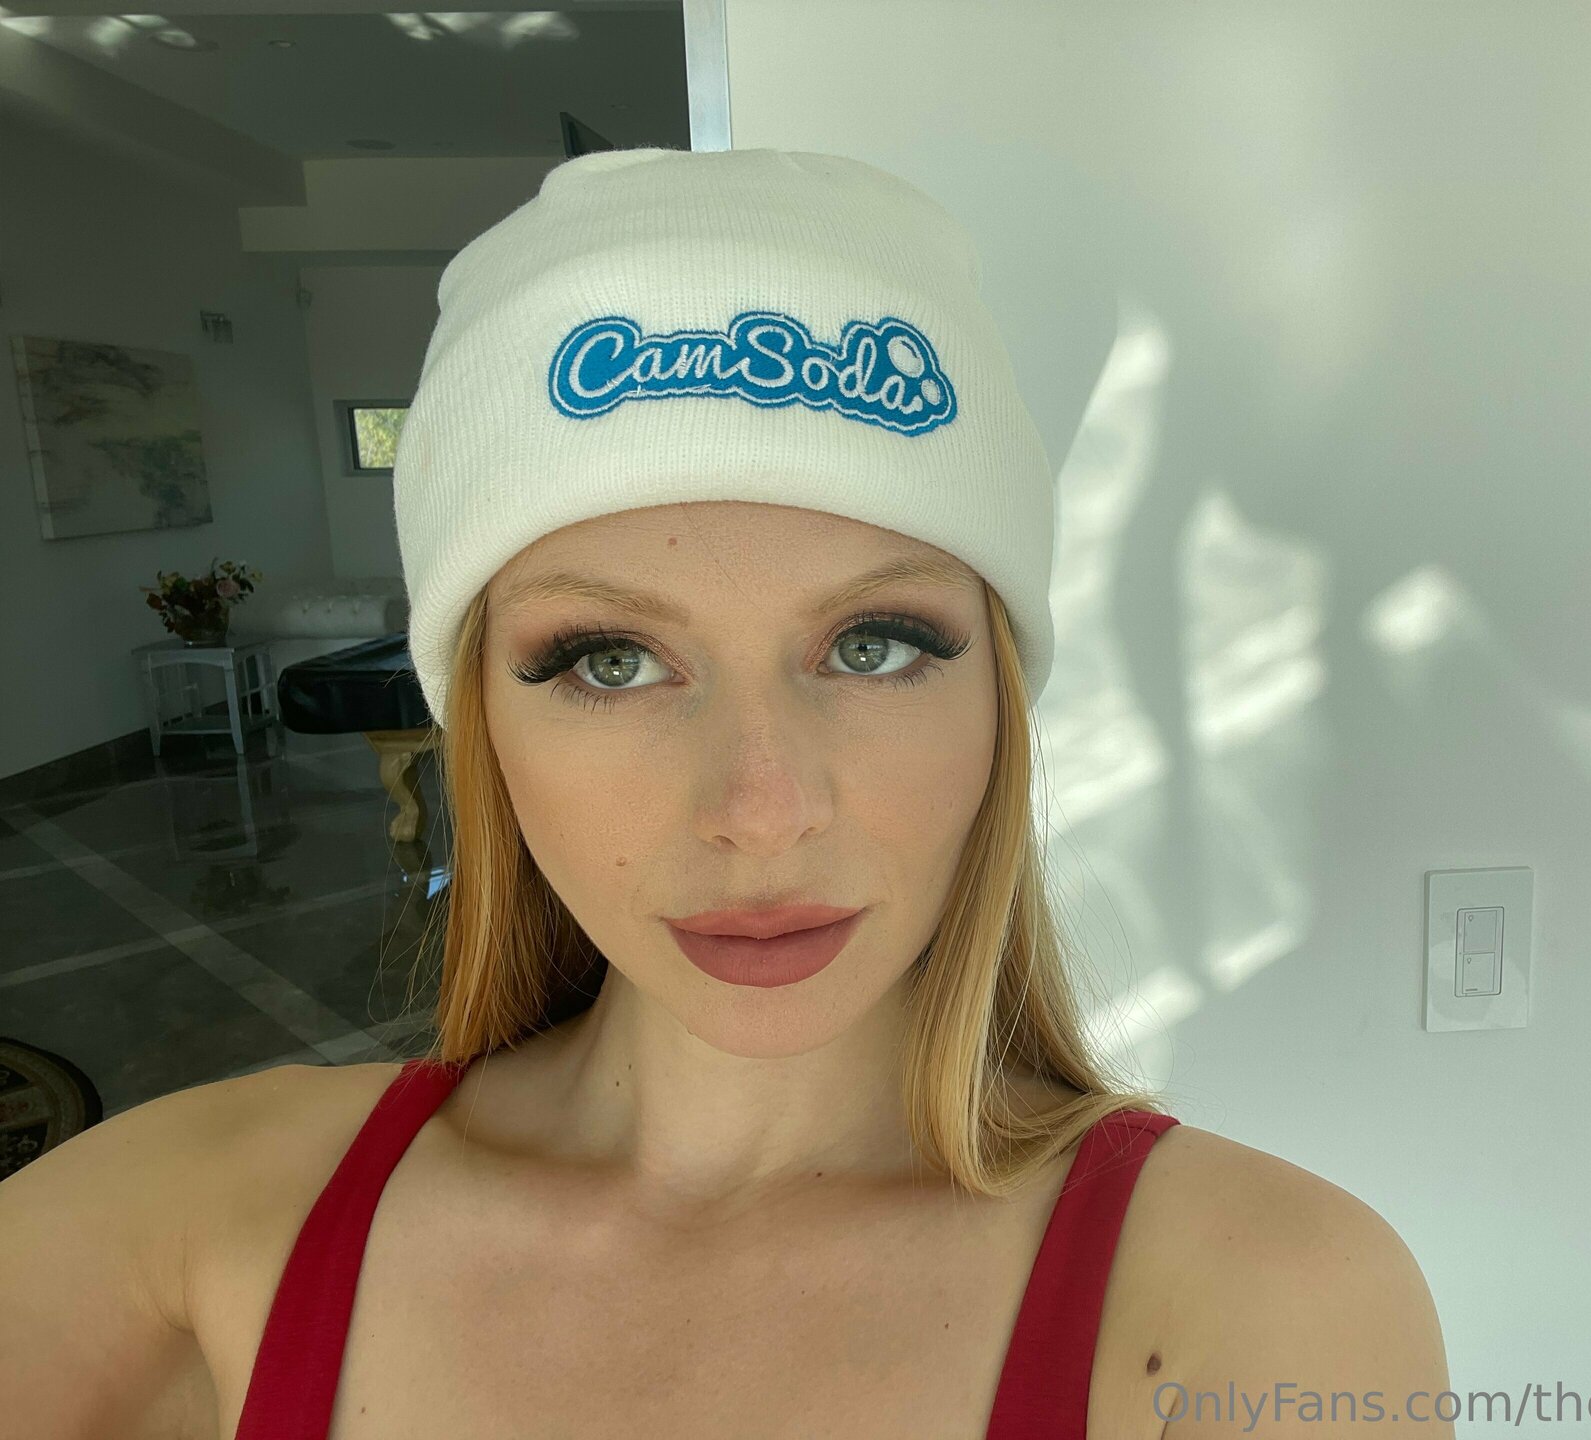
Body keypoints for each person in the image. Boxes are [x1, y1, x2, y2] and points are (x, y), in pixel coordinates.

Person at [0, 146, 1453, 1439]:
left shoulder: (1265, 1307)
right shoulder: (171, 1230)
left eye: (876, 645)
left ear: (1001, 705)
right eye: (610, 660)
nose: (761, 812)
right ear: (480, 719)